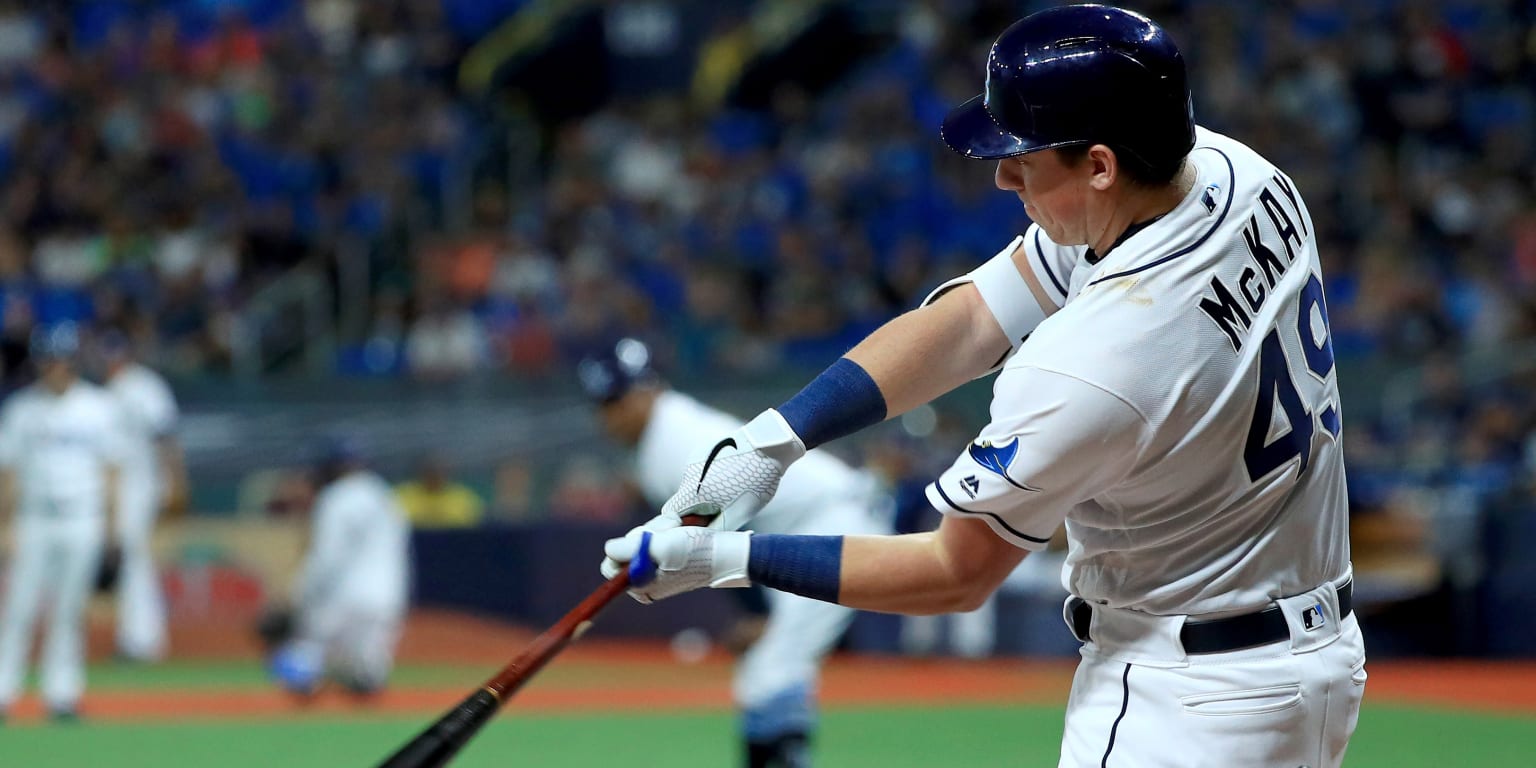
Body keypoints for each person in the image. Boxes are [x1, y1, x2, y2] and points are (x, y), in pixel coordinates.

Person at [602, 6, 1366, 766]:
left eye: (1025, 157)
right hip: (1317, 657)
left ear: (1100, 164)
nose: (1004, 175)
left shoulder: (1091, 362)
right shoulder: (1241, 176)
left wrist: (722, 561)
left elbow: (953, 573)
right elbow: (971, 319)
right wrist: (774, 441)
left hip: (1189, 695)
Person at [581, 338, 889, 768]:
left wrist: (757, 613)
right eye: (603, 406)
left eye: (617, 401)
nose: (609, 417)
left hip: (832, 519)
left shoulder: (669, 442)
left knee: (770, 675)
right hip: (801, 528)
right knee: (766, 674)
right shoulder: (667, 429)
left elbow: (717, 534)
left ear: (647, 390)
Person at [0, 324, 123, 721]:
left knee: (68, 611)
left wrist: (110, 528)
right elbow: (9, 473)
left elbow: (111, 471)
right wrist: (4, 526)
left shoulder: (99, 406)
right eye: (48, 360)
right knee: (18, 606)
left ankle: (62, 695)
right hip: (34, 517)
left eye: (60, 359)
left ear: (73, 362)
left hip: (81, 516)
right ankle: (4, 691)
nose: (54, 367)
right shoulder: (22, 408)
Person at [268, 436, 411, 698]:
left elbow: (326, 556)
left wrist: (298, 593)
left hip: (341, 596)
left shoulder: (336, 497)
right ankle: (360, 685)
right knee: (367, 676)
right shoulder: (387, 497)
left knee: (304, 656)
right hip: (386, 597)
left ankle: (305, 689)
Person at [95, 329, 188, 663]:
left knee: (131, 558)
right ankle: (139, 637)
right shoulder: (110, 390)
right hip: (121, 483)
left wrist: (176, 482)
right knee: (131, 559)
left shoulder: (145, 385)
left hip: (143, 482)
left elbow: (165, 435)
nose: (111, 360)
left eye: (115, 353)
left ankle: (142, 641)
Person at [395, 453, 485, 528]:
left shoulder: (464, 497)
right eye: (431, 471)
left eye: (440, 471)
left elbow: (475, 526)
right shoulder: (403, 495)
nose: (435, 476)